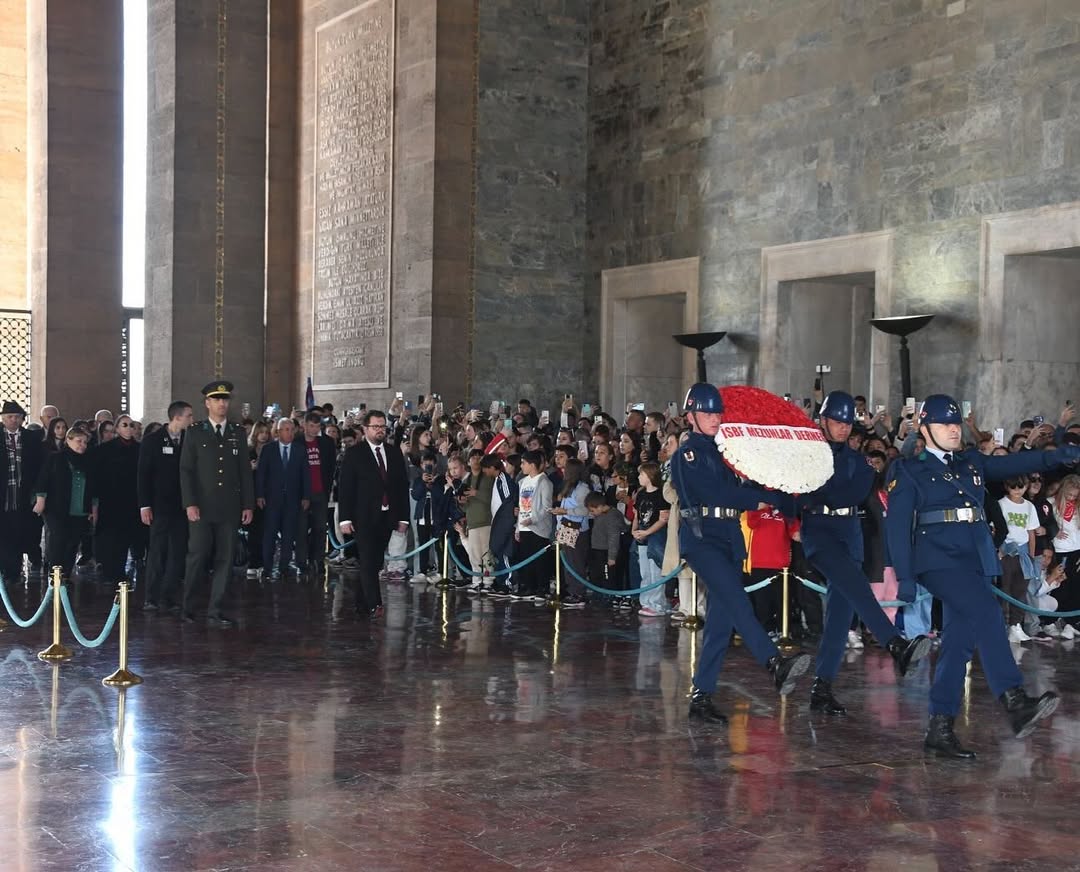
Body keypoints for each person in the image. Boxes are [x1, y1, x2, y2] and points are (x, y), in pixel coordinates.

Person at [885, 394, 1080, 758]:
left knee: (958, 644)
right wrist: (906, 576)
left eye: (957, 423)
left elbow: (1017, 462)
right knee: (988, 612)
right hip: (936, 559)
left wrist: (1057, 456)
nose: (954, 430)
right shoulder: (908, 471)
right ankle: (1014, 699)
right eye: (945, 424)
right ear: (925, 430)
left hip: (972, 559)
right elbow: (896, 528)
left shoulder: (971, 463)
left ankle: (939, 727)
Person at [669, 384, 811, 724]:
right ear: (690, 417)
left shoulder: (727, 452)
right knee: (736, 601)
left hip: (730, 537)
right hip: (702, 537)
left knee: (721, 619)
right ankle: (774, 662)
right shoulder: (688, 455)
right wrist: (754, 500)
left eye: (717, 413)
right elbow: (711, 491)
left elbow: (746, 486)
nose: (714, 419)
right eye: (706, 413)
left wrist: (779, 489)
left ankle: (701, 697)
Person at [799, 391, 931, 717]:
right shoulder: (808, 457)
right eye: (837, 421)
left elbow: (850, 493)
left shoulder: (859, 463)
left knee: (839, 621)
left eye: (847, 422)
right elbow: (803, 496)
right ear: (823, 421)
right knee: (857, 587)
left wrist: (820, 492)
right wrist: (818, 493)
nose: (843, 428)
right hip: (820, 535)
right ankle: (895, 644)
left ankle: (821, 689)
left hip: (849, 536)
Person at [179, 381, 255, 628]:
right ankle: (188, 608)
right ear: (207, 403)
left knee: (226, 558)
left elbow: (245, 471)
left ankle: (216, 610)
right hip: (201, 507)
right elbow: (186, 470)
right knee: (197, 556)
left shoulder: (237, 432)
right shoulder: (195, 431)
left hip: (229, 508)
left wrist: (248, 504)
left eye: (225, 399)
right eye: (217, 399)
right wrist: (189, 503)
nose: (222, 404)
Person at [337, 409, 410, 618]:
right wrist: (345, 518)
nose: (380, 430)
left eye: (382, 427)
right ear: (365, 428)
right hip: (363, 517)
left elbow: (401, 486)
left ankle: (361, 603)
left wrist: (403, 517)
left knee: (375, 562)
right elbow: (346, 488)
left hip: (387, 517)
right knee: (368, 559)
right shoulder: (355, 453)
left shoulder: (393, 452)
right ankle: (375, 605)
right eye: (375, 427)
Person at [138, 401, 193, 612]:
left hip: (182, 506)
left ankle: (168, 596)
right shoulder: (152, 441)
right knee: (157, 551)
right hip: (159, 505)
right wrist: (144, 505)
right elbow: (143, 475)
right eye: (188, 415)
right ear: (177, 417)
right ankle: (151, 596)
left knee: (177, 552)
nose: (191, 419)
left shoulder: (190, 440)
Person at [32, 427, 96, 577]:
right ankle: (55, 577)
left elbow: (93, 487)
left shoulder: (88, 461)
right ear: (69, 440)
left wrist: (93, 509)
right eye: (79, 441)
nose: (82, 445)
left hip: (79, 508)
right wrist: (40, 500)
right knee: (58, 541)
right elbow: (43, 480)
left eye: (85, 442)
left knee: (73, 544)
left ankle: (66, 576)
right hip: (57, 508)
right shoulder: (56, 458)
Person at [255, 417, 311, 580]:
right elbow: (261, 475)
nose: (290, 433)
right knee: (270, 534)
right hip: (272, 499)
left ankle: (284, 566)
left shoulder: (300, 450)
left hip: (293, 499)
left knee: (288, 534)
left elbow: (305, 475)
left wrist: (306, 496)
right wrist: (259, 495)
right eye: (286, 430)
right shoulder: (269, 449)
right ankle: (267, 567)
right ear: (278, 432)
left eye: (292, 429)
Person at [0, 401, 47, 584]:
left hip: (23, 495)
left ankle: (13, 572)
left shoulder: (31, 438)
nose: (13, 420)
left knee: (19, 534)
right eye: (10, 417)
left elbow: (40, 467)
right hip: (3, 495)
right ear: (3, 419)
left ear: (22, 419)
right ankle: (4, 569)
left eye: (17, 417)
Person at [295, 411, 336, 574]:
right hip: (302, 493)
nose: (313, 429)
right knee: (301, 528)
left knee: (320, 528)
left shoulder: (326, 443)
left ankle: (317, 560)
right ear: (304, 425)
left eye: (317, 426)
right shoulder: (297, 443)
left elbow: (330, 466)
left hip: (320, 491)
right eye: (311, 426)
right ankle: (301, 561)